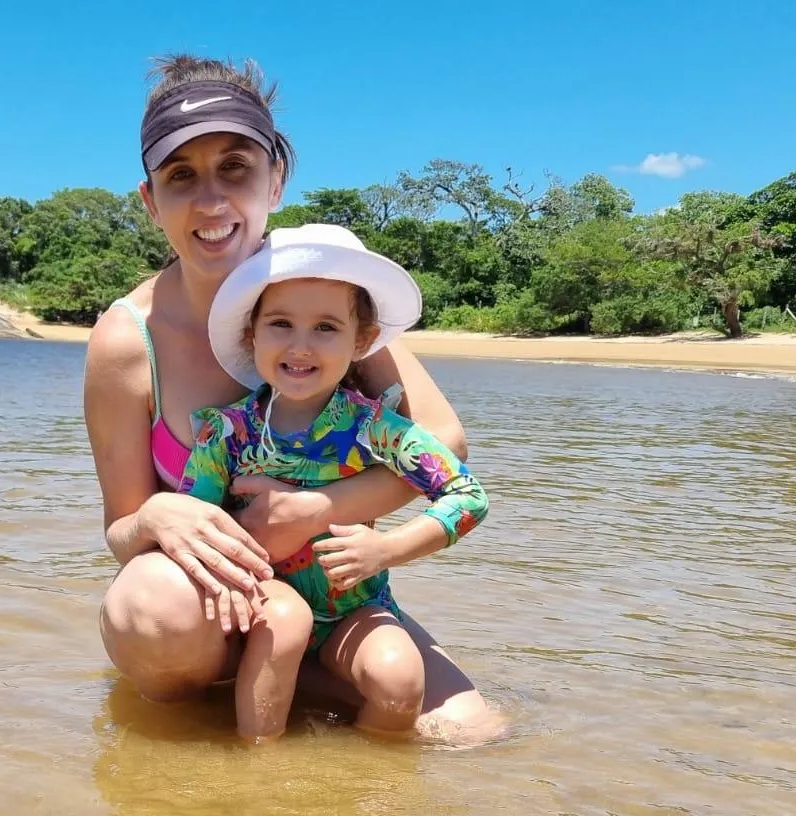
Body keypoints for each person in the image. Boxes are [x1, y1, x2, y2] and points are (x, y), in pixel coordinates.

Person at [83, 53, 504, 744]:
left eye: (236, 168)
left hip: (335, 599)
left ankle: (299, 682)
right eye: (181, 175)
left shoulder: (326, 295)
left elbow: (444, 445)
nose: (212, 201)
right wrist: (158, 512)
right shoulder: (128, 342)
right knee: (149, 607)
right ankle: (201, 731)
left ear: (276, 180)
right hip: (215, 613)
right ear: (150, 200)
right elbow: (121, 533)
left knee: (470, 734)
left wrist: (316, 511)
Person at [178, 223, 489, 741]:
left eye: (326, 327)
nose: (301, 346)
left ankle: (361, 789)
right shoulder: (227, 434)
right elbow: (197, 522)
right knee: (287, 624)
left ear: (362, 340)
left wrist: (386, 549)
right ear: (251, 334)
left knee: (400, 679)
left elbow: (467, 495)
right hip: (267, 599)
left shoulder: (377, 429)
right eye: (280, 323)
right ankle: (256, 775)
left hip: (358, 606)